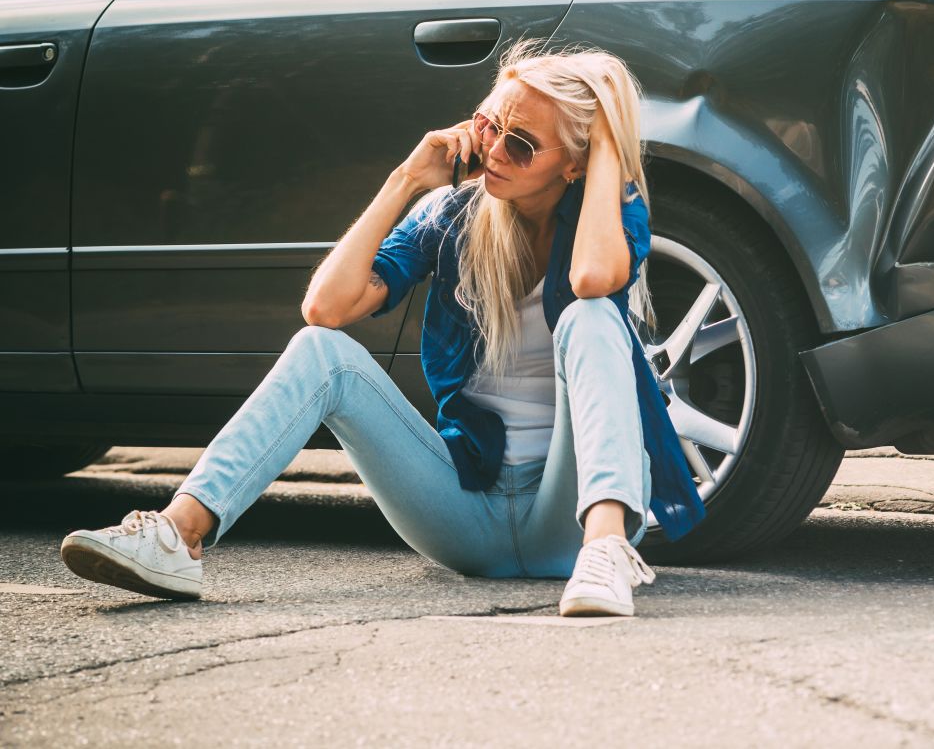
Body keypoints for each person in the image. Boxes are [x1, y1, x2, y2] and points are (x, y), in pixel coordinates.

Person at [59, 39, 705, 617]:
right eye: (489, 126)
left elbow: (593, 279)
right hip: (466, 512)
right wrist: (406, 179)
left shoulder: (613, 214)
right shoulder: (453, 214)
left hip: (568, 519)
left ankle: (605, 553)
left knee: (593, 319)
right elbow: (325, 308)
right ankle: (178, 534)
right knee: (322, 352)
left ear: (575, 164)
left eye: (522, 143)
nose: (495, 151)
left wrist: (607, 156)